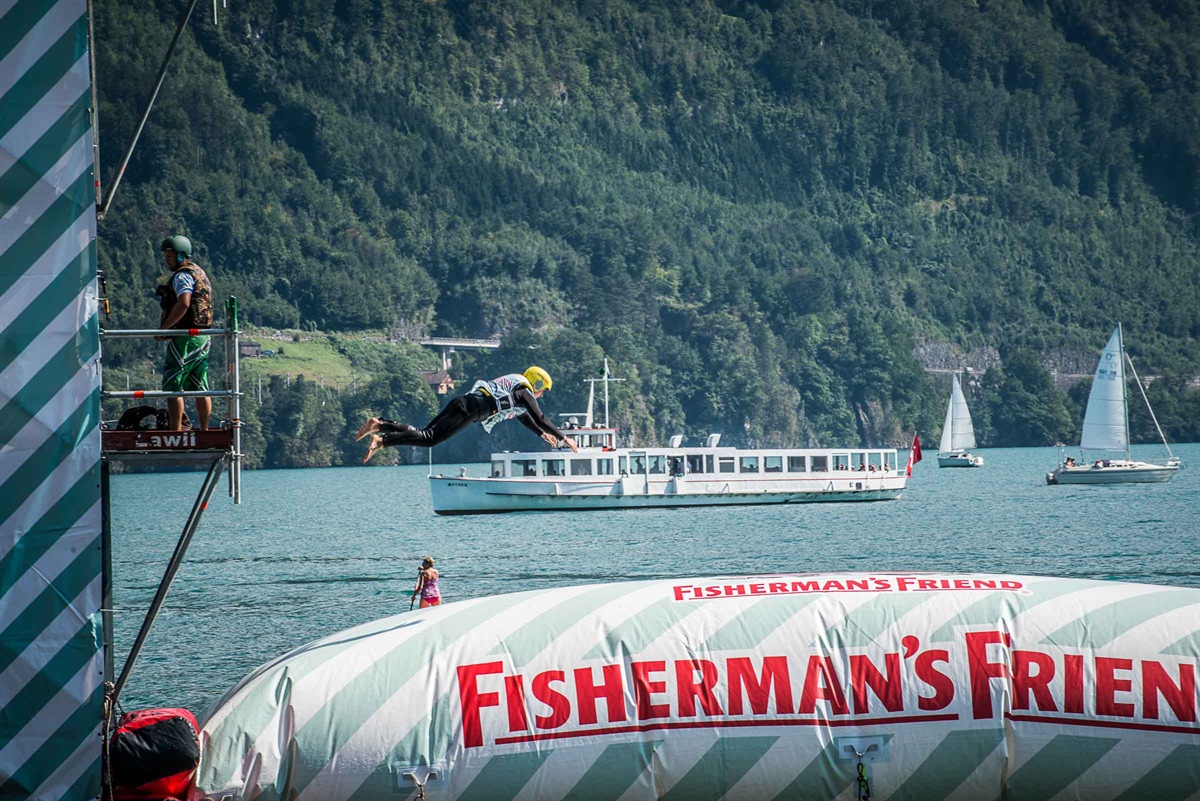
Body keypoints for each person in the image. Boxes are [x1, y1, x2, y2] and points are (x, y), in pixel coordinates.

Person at [357, 367, 579, 462]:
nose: (540, 396)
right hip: (472, 410)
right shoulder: (525, 392)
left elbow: (526, 418)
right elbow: (540, 417)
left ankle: (380, 425)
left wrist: (541, 434)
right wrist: (565, 438)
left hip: (462, 402)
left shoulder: (515, 390)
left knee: (423, 433)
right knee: (430, 439)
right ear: (537, 383)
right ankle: (382, 441)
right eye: (542, 390)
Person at [156, 235, 213, 431]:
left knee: (173, 384)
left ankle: (176, 431)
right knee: (199, 384)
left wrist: (165, 328)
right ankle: (204, 430)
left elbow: (184, 302)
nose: (167, 261)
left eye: (170, 257)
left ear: (182, 256)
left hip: (185, 338)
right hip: (203, 336)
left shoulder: (182, 276)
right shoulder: (199, 272)